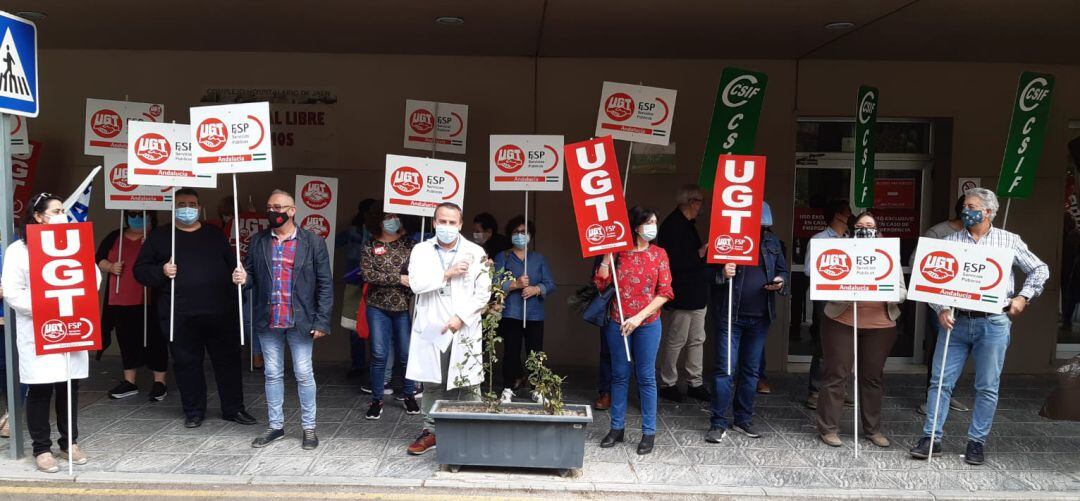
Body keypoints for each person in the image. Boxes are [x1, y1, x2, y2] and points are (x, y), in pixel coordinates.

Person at [911, 188, 1049, 466]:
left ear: (988, 211)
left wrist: (1024, 296)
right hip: (957, 321)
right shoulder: (950, 241)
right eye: (964, 205)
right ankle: (931, 438)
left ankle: (976, 442)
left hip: (993, 322)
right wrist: (941, 308)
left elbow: (1040, 269)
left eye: (972, 206)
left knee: (987, 386)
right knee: (940, 382)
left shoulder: (1009, 241)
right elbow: (934, 281)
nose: (966, 210)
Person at [134, 188, 256, 429]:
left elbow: (233, 266)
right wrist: (161, 271)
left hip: (221, 312)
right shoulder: (160, 237)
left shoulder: (215, 235)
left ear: (199, 208)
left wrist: (242, 277)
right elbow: (139, 271)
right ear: (173, 207)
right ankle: (194, 411)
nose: (187, 208)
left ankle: (234, 409)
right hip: (180, 314)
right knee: (187, 364)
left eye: (191, 204)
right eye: (181, 204)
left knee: (228, 363)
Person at [3, 193, 99, 472]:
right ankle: (41, 448)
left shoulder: (74, 244)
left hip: (71, 323)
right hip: (40, 327)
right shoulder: (18, 251)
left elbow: (93, 278)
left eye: (63, 211)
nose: (62, 215)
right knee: (41, 387)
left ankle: (70, 442)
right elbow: (13, 292)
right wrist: (46, 306)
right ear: (37, 216)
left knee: (69, 385)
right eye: (56, 211)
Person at [233, 190, 333, 450]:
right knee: (272, 374)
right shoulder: (258, 241)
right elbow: (252, 275)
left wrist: (322, 321)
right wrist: (243, 279)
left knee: (303, 374)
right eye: (269, 207)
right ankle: (275, 426)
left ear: (292, 210)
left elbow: (324, 284)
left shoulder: (312, 242)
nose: (273, 212)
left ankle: (309, 428)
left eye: (278, 207)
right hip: (269, 320)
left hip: (300, 320)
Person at [405, 203, 492, 455]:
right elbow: (417, 284)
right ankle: (430, 431)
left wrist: (461, 318)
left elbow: (483, 293)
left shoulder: (475, 252)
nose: (447, 227)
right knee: (433, 382)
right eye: (442, 221)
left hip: (463, 326)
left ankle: (474, 431)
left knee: (467, 382)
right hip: (432, 326)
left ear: (461, 225)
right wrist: (447, 273)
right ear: (434, 223)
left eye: (452, 222)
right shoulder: (421, 250)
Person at [816, 211, 905, 448]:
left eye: (870, 225)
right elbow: (823, 283)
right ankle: (828, 429)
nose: (865, 228)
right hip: (841, 321)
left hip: (880, 326)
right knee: (836, 375)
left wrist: (882, 289)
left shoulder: (888, 256)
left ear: (878, 231)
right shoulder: (838, 252)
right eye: (860, 225)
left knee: (872, 378)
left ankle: (873, 430)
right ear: (852, 229)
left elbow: (902, 292)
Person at [594, 206, 674, 455]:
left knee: (646, 377)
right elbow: (601, 282)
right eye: (648, 222)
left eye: (655, 222)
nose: (652, 226)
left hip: (647, 324)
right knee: (619, 375)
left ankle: (648, 432)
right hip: (618, 323)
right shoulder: (619, 252)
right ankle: (616, 428)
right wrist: (607, 257)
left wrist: (638, 318)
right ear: (636, 227)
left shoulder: (659, 254)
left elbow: (665, 293)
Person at [706, 203, 788, 443]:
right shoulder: (725, 240)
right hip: (730, 316)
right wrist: (723, 273)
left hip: (760, 317)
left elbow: (784, 271)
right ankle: (718, 422)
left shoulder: (772, 243)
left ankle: (743, 419)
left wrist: (780, 281)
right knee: (725, 370)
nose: (760, 230)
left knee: (751, 372)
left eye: (763, 226)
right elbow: (706, 274)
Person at [96, 212, 168, 401]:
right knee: (126, 340)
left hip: (150, 297)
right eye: (133, 214)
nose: (137, 218)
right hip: (120, 298)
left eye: (142, 215)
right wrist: (110, 267)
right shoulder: (115, 236)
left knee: (156, 340)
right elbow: (99, 258)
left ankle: (159, 382)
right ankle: (130, 381)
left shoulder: (158, 237)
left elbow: (170, 263)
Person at [359, 209, 419, 419]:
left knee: (405, 354)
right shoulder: (370, 245)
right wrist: (399, 278)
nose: (392, 220)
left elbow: (419, 273)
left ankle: (409, 395)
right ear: (378, 221)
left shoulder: (410, 244)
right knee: (378, 354)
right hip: (377, 307)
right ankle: (376, 400)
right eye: (387, 217)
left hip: (403, 307)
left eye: (395, 216)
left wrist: (406, 280)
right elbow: (368, 274)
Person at [656, 185, 710, 403]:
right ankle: (668, 382)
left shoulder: (687, 224)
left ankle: (694, 381)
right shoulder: (672, 225)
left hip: (696, 292)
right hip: (683, 293)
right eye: (700, 201)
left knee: (697, 339)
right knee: (676, 339)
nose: (701, 206)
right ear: (691, 202)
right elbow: (673, 263)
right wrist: (700, 253)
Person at [917, 196, 970, 415]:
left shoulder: (977, 237)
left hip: (967, 303)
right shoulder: (938, 233)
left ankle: (948, 395)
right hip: (942, 304)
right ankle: (932, 399)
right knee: (942, 349)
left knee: (957, 352)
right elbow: (918, 262)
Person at [493, 216, 556, 401]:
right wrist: (515, 284)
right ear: (510, 234)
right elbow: (494, 282)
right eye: (516, 232)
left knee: (535, 352)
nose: (520, 235)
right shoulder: (503, 256)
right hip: (511, 313)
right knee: (511, 352)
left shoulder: (538, 259)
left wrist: (537, 288)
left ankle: (537, 388)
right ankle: (508, 387)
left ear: (531, 235)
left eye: (524, 232)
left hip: (534, 314)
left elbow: (550, 284)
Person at [805, 199, 853, 411]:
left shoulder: (853, 240)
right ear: (837, 215)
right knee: (824, 346)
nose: (850, 216)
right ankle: (815, 391)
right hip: (826, 298)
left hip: (850, 298)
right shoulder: (819, 239)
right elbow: (808, 269)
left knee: (846, 346)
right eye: (847, 213)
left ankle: (840, 389)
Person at [338, 198, 377, 382]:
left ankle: (375, 367)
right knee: (355, 326)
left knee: (376, 326)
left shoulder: (381, 233)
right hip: (355, 282)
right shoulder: (353, 231)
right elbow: (332, 242)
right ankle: (358, 365)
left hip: (377, 283)